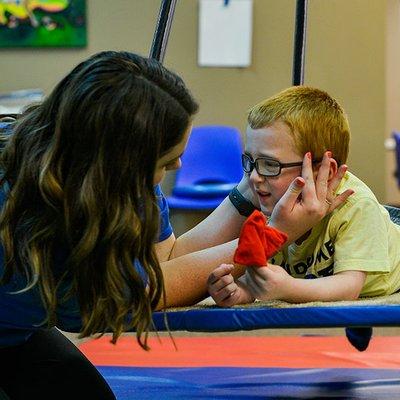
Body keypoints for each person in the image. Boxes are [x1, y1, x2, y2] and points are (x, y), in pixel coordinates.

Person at [0, 53, 348, 400]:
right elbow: (150, 290)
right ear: (121, 163)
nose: (179, 163)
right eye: (166, 162)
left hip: (18, 331)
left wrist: (249, 188)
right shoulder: (32, 222)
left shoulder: (111, 175)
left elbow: (166, 257)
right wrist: (275, 235)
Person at [207, 86, 400, 309]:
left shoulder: (356, 205)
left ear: (324, 172)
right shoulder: (266, 200)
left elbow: (349, 287)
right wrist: (241, 290)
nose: (254, 178)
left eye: (270, 164)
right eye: (250, 161)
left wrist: (289, 289)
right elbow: (259, 275)